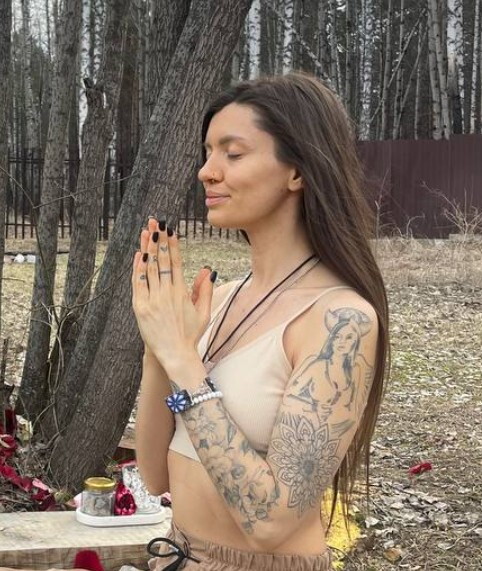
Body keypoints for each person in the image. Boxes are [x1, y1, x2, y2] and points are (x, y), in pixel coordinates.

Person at [132, 72, 389, 571]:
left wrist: (184, 361)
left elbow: (271, 521)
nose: (206, 172)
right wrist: (158, 348)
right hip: (177, 555)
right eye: (207, 153)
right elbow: (156, 476)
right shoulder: (222, 299)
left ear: (297, 171)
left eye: (232, 153)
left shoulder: (339, 321)